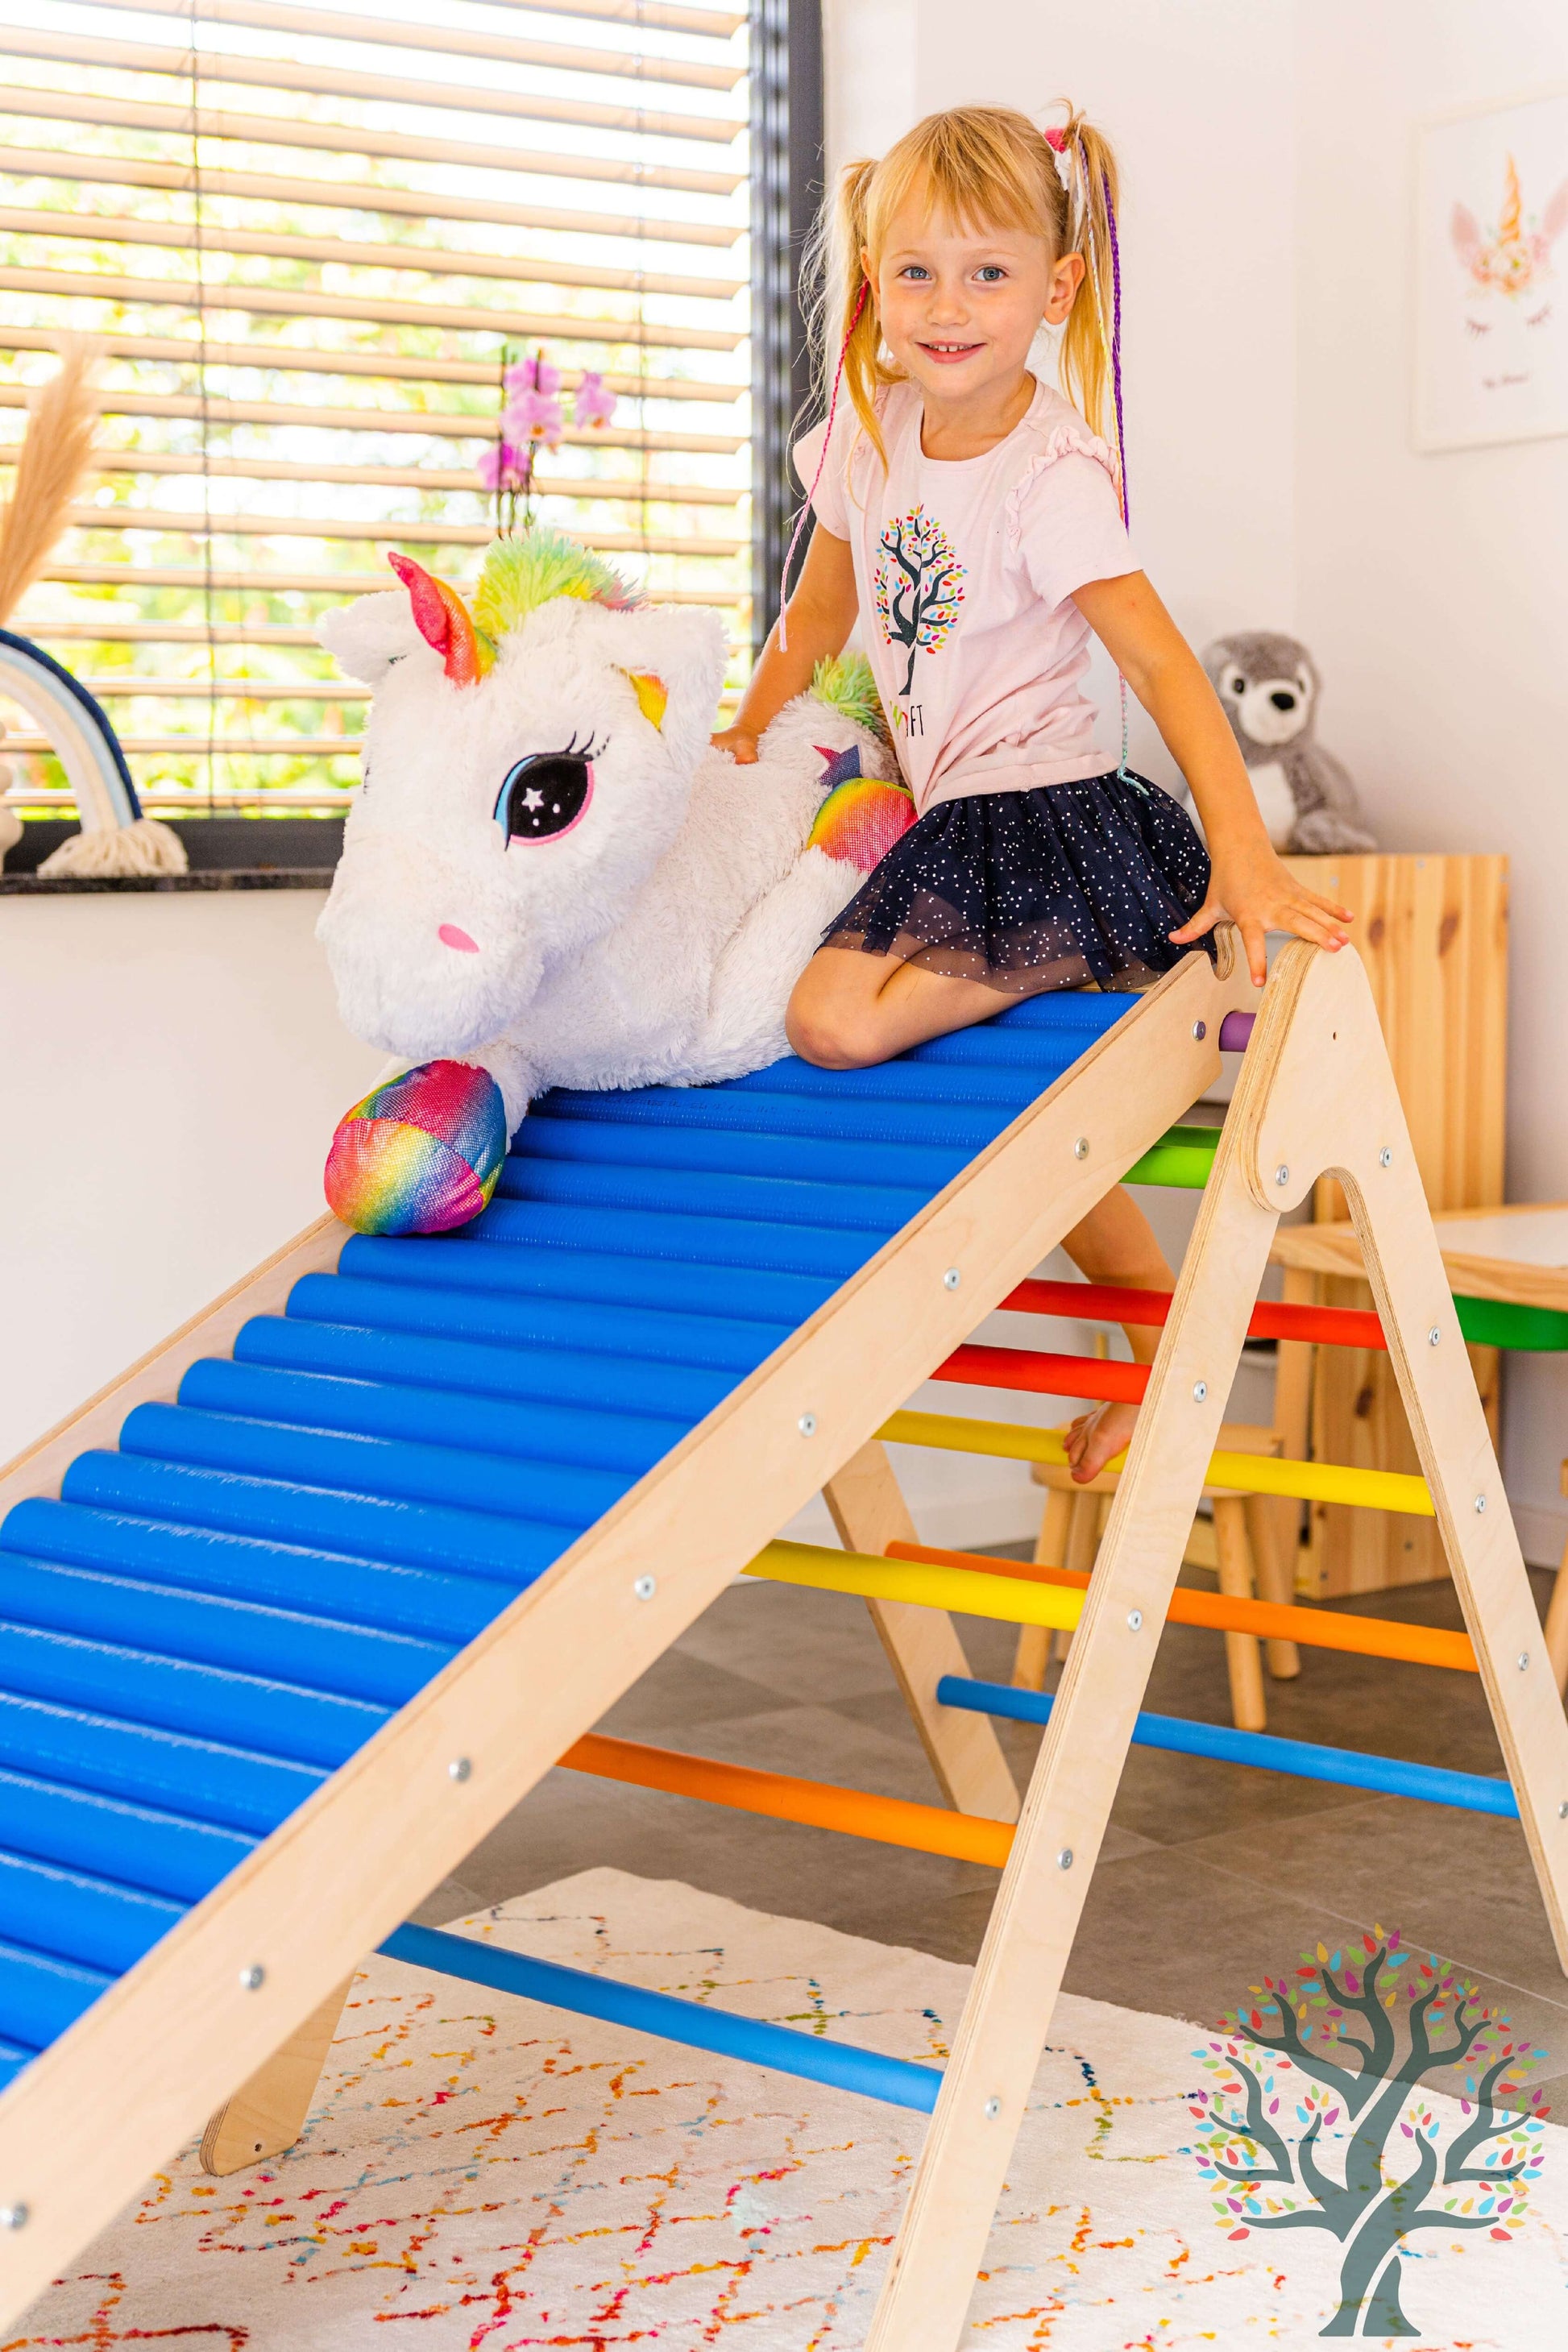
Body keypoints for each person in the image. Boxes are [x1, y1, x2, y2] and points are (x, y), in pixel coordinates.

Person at [711, 103, 1351, 1483]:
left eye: (988, 273)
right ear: (875, 283)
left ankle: (1069, 964)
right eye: (918, 271)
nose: (949, 307)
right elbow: (815, 613)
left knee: (829, 1019)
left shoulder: (1049, 472)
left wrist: (1241, 862)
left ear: (1054, 289)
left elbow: (1169, 673)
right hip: (952, 824)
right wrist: (743, 738)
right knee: (1041, 1134)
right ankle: (1157, 1347)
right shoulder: (864, 434)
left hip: (1051, 820)